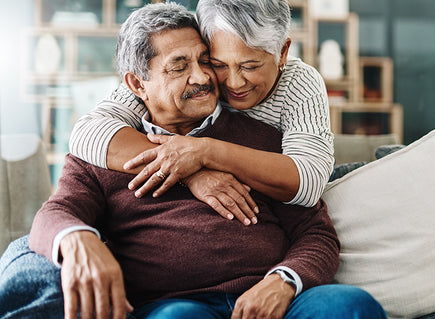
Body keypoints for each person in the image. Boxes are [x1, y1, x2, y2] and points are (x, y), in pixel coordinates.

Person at [0, 4, 387, 319]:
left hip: (273, 299)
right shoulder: (103, 151)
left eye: (205, 60)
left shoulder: (261, 140)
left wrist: (284, 281)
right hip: (175, 304)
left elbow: (315, 231)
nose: (205, 77)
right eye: (179, 66)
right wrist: (80, 240)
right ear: (136, 84)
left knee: (352, 307)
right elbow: (53, 215)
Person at [69, 0, 334, 225]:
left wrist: (205, 152)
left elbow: (309, 183)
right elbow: (87, 133)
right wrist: (190, 171)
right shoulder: (180, 81)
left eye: (250, 66)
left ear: (282, 53)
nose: (233, 83)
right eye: (217, 63)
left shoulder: (298, 82)